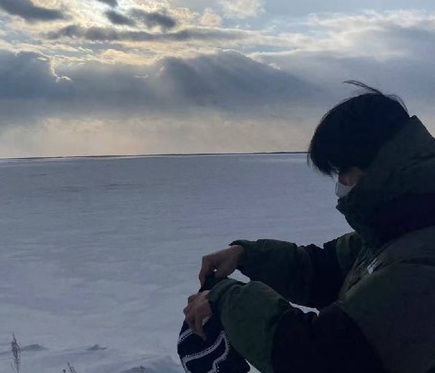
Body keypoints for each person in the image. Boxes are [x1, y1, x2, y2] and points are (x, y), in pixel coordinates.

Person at [183, 82, 435, 373]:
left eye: (342, 171)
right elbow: (323, 268)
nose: (340, 184)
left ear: (376, 166)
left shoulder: (421, 260)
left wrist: (224, 299)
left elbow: (317, 354)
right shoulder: (395, 228)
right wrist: (247, 255)